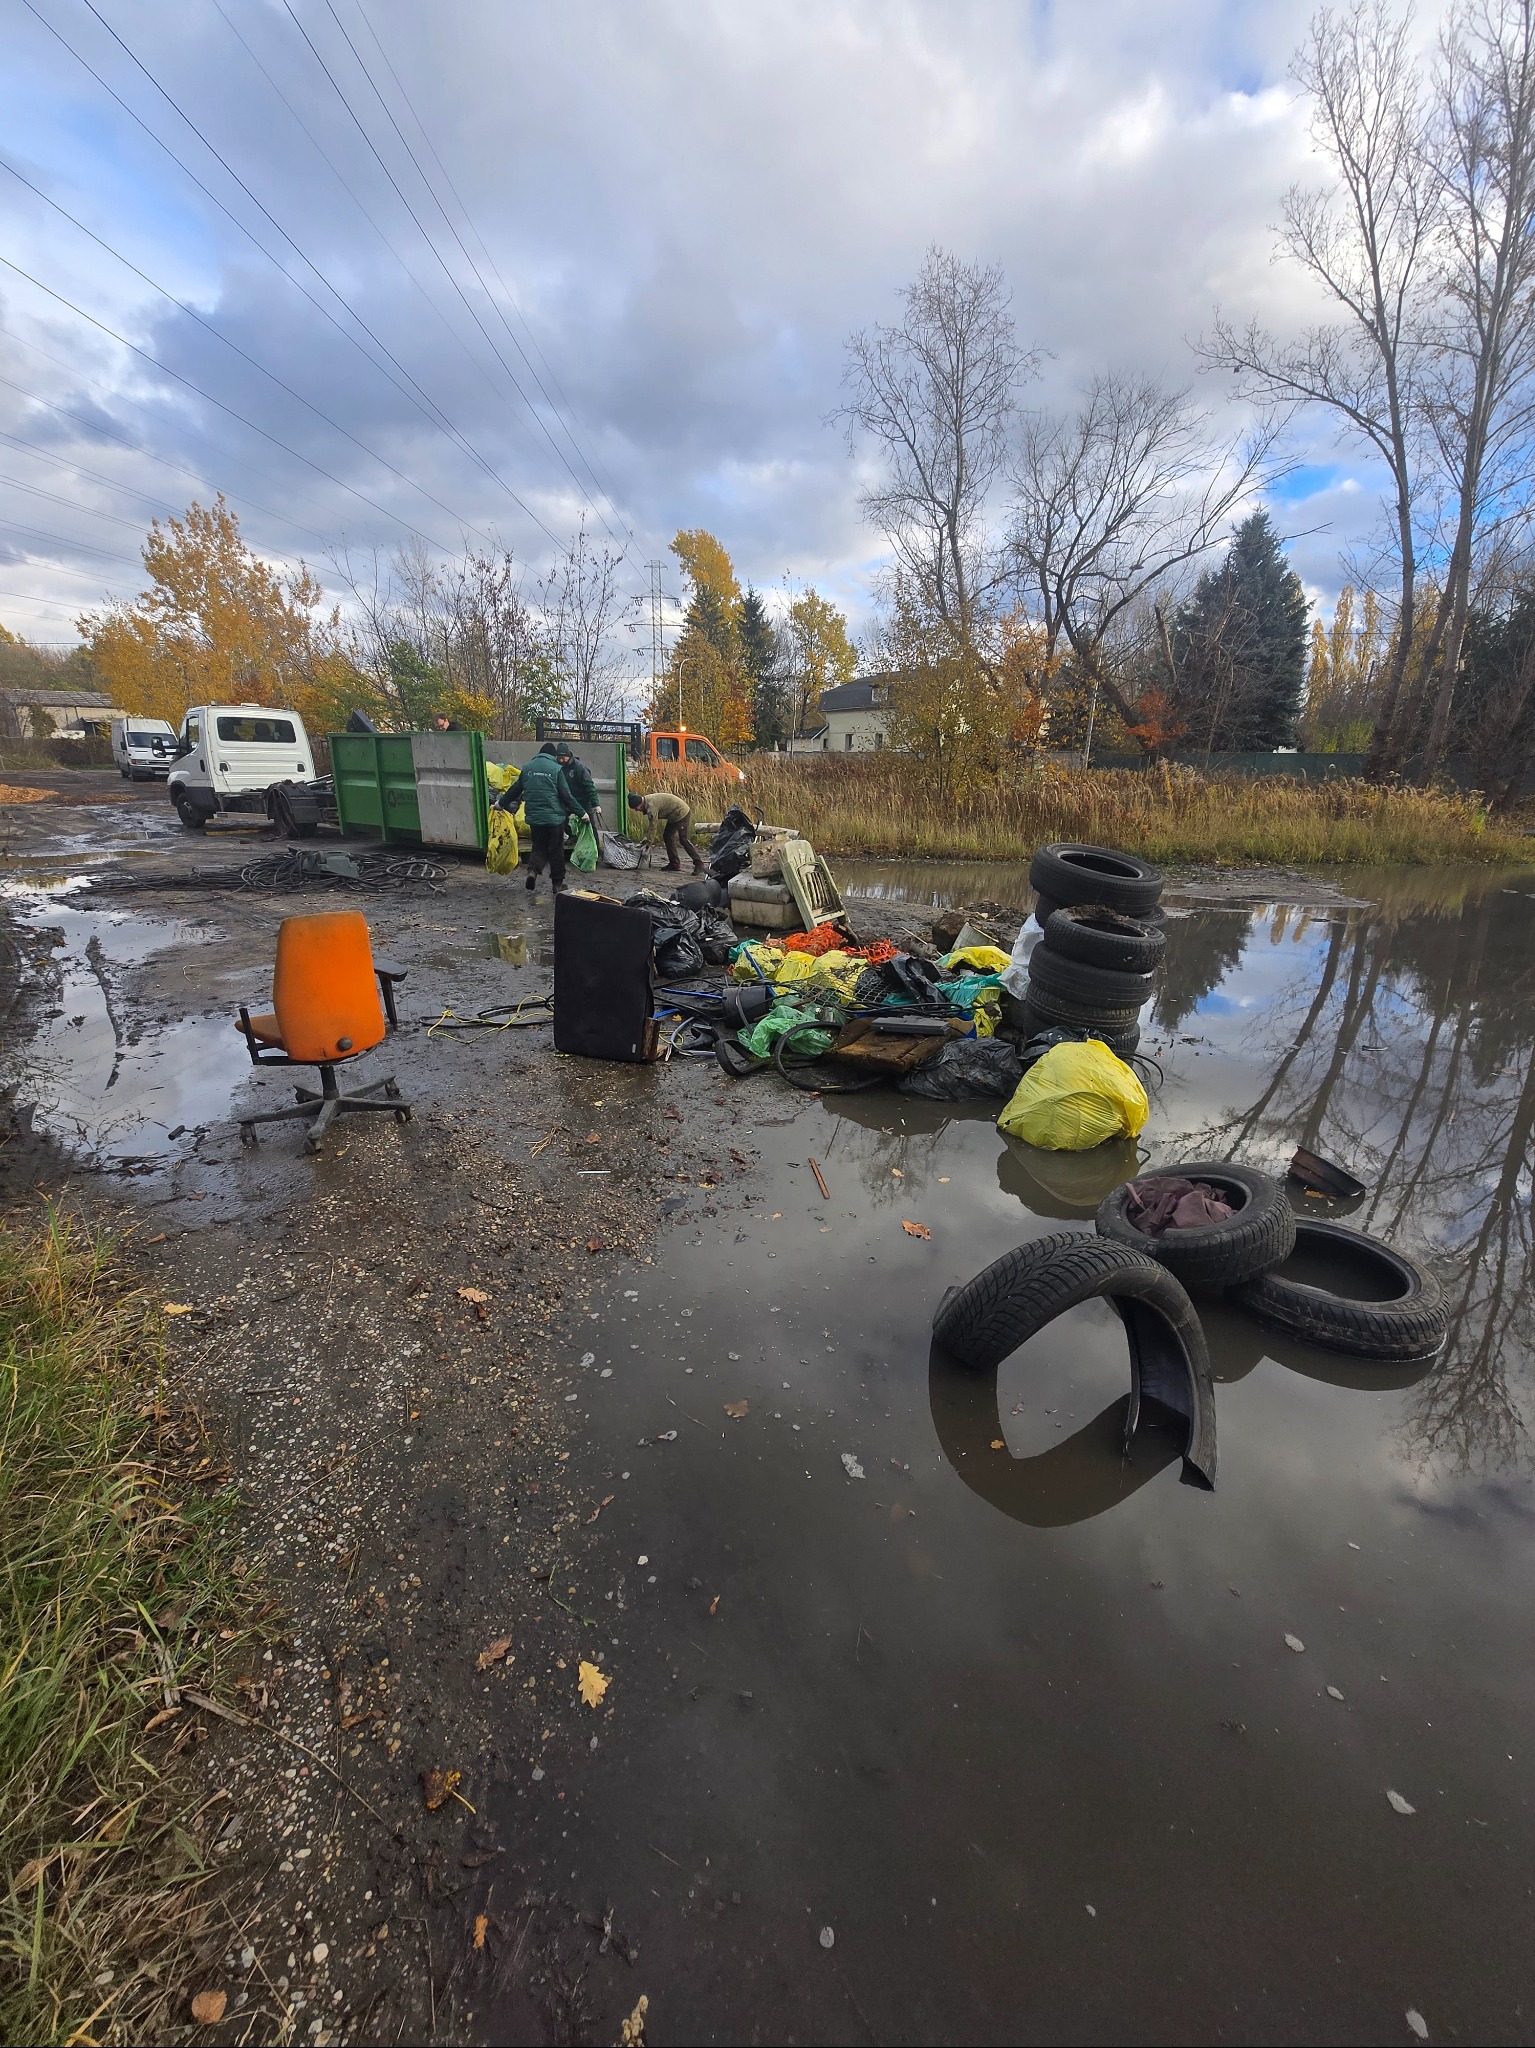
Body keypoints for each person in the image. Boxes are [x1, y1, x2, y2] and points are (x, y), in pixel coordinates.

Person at [495, 741, 580, 894]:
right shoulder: (556, 769)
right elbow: (566, 796)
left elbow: (514, 790)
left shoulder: (528, 768)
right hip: (554, 819)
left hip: (535, 818)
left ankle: (533, 871)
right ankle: (557, 884)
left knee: (539, 846)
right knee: (556, 850)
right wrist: (582, 812)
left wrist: (501, 803)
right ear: (553, 755)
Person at [629, 788, 705, 873]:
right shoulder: (647, 801)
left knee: (683, 839)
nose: (636, 810)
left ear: (640, 804)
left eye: (636, 808)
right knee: (667, 836)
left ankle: (699, 864)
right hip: (673, 815)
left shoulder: (651, 806)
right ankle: (674, 863)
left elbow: (653, 827)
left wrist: (648, 843)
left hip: (681, 812)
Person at [555, 745, 604, 849]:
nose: (561, 760)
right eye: (559, 757)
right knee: (561, 818)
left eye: (563, 757)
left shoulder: (579, 768)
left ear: (569, 756)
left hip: (583, 801)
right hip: (568, 801)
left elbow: (589, 786)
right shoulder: (558, 767)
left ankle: (596, 848)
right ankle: (572, 836)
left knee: (590, 824)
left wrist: (596, 804)